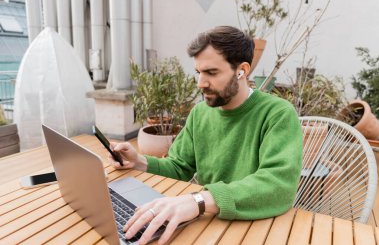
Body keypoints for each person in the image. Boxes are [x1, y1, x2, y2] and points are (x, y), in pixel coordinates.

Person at [109, 26, 303, 245]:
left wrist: (199, 201)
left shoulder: (277, 114)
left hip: (257, 229)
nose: (201, 83)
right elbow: (179, 166)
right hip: (208, 224)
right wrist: (139, 161)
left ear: (242, 70)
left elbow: (278, 185)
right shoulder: (201, 113)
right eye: (198, 72)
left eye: (211, 73)